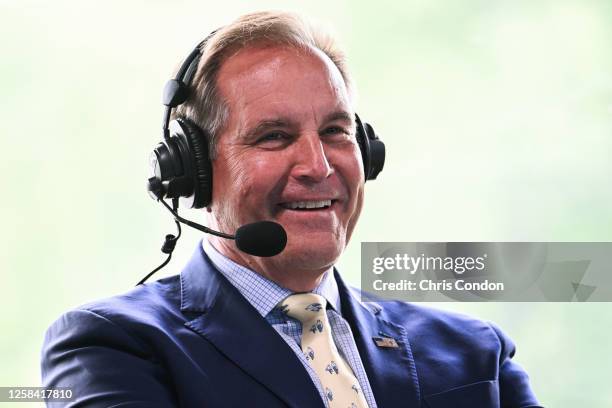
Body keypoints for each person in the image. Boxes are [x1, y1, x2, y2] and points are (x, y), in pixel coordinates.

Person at [41, 11, 541, 408]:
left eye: (334, 132)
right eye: (274, 136)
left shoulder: (476, 353)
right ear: (194, 171)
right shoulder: (111, 347)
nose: (318, 166)